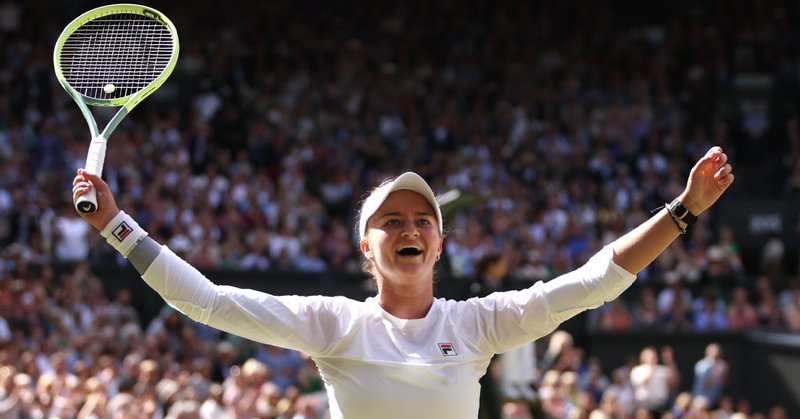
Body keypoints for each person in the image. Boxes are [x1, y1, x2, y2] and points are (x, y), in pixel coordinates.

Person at [71, 146, 734, 419]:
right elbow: (205, 301)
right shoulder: (334, 323)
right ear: (367, 246)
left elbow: (594, 281)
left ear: (439, 244)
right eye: (391, 221)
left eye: (423, 221)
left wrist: (683, 211)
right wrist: (116, 226)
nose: (409, 228)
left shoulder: (478, 324)